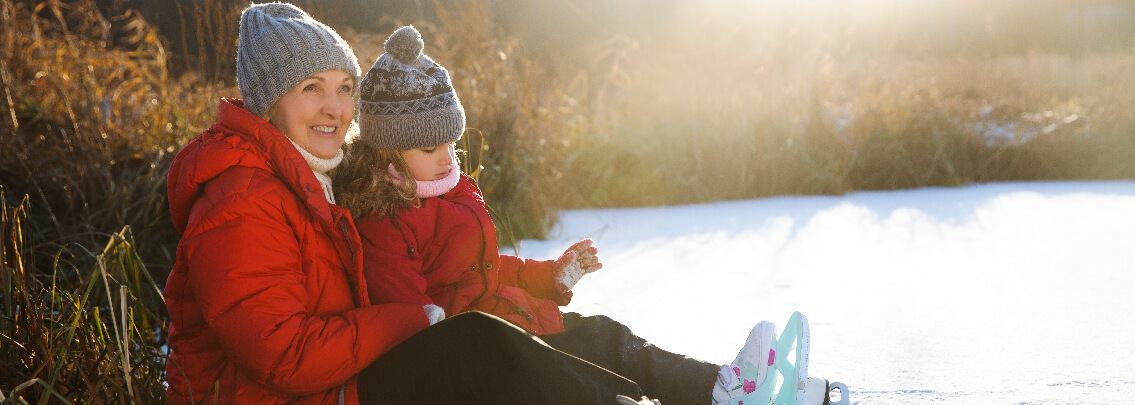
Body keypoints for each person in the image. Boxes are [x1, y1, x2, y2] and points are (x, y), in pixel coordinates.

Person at [163, 3, 664, 404]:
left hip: (342, 378)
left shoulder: (323, 175)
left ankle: (712, 390)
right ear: (269, 102)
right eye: (310, 88)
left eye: (343, 88)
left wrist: (530, 282)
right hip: (294, 395)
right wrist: (414, 319)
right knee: (473, 347)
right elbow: (283, 357)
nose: (334, 107)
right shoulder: (241, 201)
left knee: (577, 336)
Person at [334, 25, 841, 405]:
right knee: (584, 359)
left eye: (451, 142)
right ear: (388, 154)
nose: (448, 157)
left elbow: (485, 269)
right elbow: (420, 322)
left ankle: (723, 386)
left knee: (605, 335)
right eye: (430, 147)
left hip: (505, 317)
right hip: (481, 345)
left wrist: (549, 276)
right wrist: (505, 329)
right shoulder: (385, 216)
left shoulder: (448, 187)